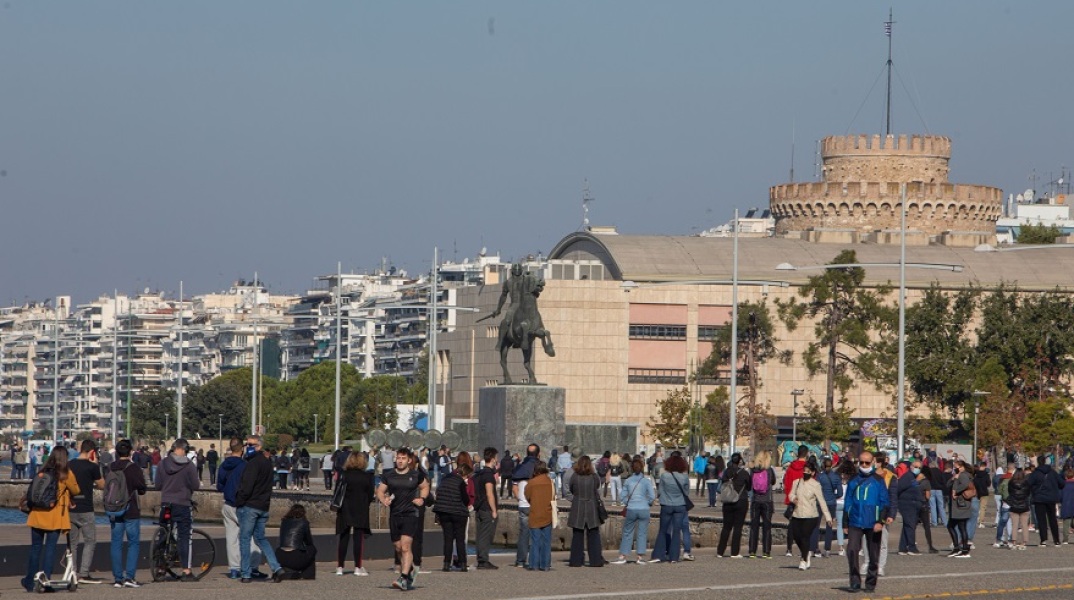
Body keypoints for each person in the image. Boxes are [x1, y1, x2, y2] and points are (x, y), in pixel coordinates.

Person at [22, 446, 80, 592]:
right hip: (54, 515)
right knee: (50, 548)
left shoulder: (42, 471)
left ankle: (30, 581)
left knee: (35, 548)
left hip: (37, 514)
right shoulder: (66, 474)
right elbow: (76, 490)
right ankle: (45, 580)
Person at [377, 447, 430, 591]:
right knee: (398, 547)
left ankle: (404, 578)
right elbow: (380, 491)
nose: (400, 461)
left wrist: (421, 498)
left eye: (403, 459)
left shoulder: (415, 475)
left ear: (409, 460)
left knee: (406, 546)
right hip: (395, 515)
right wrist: (384, 500)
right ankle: (410, 569)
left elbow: (425, 487)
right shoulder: (389, 475)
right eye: (398, 458)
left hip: (410, 514)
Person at [235, 435, 285, 583]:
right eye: (247, 444)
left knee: (245, 539)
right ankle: (276, 567)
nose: (247, 447)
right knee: (261, 538)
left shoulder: (253, 464)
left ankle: (245, 573)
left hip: (250, 505)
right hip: (263, 506)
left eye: (251, 444)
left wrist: (239, 501)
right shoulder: (267, 463)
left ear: (259, 447)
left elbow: (247, 487)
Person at [842, 451, 891, 594]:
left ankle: (871, 582)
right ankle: (855, 581)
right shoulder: (853, 480)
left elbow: (884, 502)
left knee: (873, 554)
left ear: (873, 462)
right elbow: (848, 501)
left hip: (873, 522)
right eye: (861, 462)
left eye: (867, 462)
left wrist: (880, 521)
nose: (864, 465)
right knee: (851, 550)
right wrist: (845, 522)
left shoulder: (878, 480)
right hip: (855, 521)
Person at [155, 438, 201, 581]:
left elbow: (157, 485)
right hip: (182, 503)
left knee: (163, 534)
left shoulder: (162, 464)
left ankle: (160, 568)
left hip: (166, 503)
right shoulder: (189, 466)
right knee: (184, 536)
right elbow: (196, 485)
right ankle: (186, 571)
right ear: (184, 450)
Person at [218, 438, 262, 579]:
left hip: (228, 504)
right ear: (242, 449)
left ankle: (234, 568)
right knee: (253, 536)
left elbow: (220, 486)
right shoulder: (245, 465)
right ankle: (253, 567)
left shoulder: (224, 465)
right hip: (243, 504)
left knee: (231, 538)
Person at [107, 440, 147, 588]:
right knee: (133, 543)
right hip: (131, 509)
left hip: (114, 509)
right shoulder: (134, 468)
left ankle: (118, 578)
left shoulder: (110, 467)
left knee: (116, 543)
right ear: (130, 452)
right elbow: (142, 489)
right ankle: (129, 577)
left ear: (116, 452)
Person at [68, 440, 105, 582]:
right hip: (86, 508)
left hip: (71, 507)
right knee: (90, 541)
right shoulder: (92, 467)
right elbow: (102, 485)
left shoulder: (70, 465)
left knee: (72, 543)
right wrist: (96, 465)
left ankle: (72, 572)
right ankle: (84, 573)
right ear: (92, 452)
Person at [334, 450, 374, 576]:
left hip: (344, 508)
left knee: (343, 537)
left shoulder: (344, 475)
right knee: (358, 538)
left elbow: (337, 491)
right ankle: (358, 566)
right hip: (360, 508)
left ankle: (340, 567)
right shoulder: (367, 477)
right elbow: (370, 494)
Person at [788, 459, 833, 570]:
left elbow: (821, 501)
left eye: (808, 471)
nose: (805, 473)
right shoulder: (797, 482)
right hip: (797, 514)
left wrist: (828, 517)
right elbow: (791, 494)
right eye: (804, 470)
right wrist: (793, 498)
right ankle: (805, 552)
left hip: (811, 515)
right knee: (797, 537)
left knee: (805, 537)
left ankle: (803, 560)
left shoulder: (816, 485)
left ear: (813, 473)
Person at [612, 457, 655, 564]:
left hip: (631, 508)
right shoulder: (646, 481)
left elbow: (622, 496)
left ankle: (623, 556)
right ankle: (640, 557)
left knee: (627, 532)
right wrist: (647, 503)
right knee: (642, 533)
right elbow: (652, 496)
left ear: (632, 468)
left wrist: (628, 502)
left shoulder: (628, 481)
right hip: (644, 509)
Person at [650, 454, 690, 563]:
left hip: (666, 504)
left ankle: (658, 555)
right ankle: (674, 557)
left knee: (663, 530)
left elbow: (660, 491)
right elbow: (686, 492)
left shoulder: (665, 476)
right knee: (677, 531)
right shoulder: (685, 477)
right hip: (680, 505)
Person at [434, 461, 473, 571]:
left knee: (448, 539)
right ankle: (463, 564)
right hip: (458, 513)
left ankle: (446, 564)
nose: (467, 478)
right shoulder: (460, 482)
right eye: (467, 476)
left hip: (444, 512)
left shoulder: (445, 479)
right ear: (464, 474)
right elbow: (465, 499)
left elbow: (439, 493)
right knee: (460, 539)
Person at [567, 455, 606, 567]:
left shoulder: (574, 476)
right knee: (593, 535)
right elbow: (597, 487)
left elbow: (571, 489)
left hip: (578, 505)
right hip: (591, 506)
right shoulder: (594, 477)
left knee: (577, 535)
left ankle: (575, 560)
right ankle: (595, 560)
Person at [511, 444, 542, 568]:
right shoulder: (540, 468)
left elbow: (514, 488)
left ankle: (520, 560)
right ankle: (537, 560)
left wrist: (521, 499)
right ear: (539, 454)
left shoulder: (520, 468)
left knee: (524, 533)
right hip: (537, 505)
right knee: (538, 533)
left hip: (523, 505)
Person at [1026, 454, 1065, 547]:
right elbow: (1062, 483)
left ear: (1038, 462)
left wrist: (1033, 491)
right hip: (1051, 498)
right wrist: (1055, 488)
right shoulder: (1052, 472)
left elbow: (1028, 484)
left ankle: (1043, 540)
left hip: (1039, 498)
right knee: (1053, 520)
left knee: (1041, 520)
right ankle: (1057, 540)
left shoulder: (1035, 473)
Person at [717, 452, 750, 558]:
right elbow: (749, 487)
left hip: (727, 501)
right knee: (738, 528)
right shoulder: (744, 473)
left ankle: (720, 551)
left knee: (726, 527)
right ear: (740, 460)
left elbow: (722, 483)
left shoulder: (726, 472)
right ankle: (734, 552)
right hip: (741, 501)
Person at [524, 464, 555, 571]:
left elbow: (527, 496)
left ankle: (534, 564)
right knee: (546, 541)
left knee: (535, 541)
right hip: (547, 513)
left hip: (535, 513)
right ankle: (546, 565)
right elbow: (554, 496)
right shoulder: (550, 482)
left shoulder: (531, 483)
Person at [473, 447, 500, 569]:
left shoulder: (478, 474)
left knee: (479, 534)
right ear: (493, 459)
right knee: (486, 534)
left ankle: (480, 558)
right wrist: (494, 510)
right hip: (486, 508)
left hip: (478, 507)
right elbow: (490, 493)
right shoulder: (489, 475)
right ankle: (484, 560)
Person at [747, 450, 777, 559]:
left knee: (754, 527)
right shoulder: (769, 470)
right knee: (767, 527)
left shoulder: (753, 470)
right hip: (767, 501)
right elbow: (773, 482)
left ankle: (752, 551)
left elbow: (750, 484)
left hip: (755, 500)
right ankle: (766, 551)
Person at [276, 504, 316, 579]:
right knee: (312, 549)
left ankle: (285, 571)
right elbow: (309, 542)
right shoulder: (304, 522)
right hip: (294, 557)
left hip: (280, 555)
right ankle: (308, 575)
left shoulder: (284, 521)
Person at [782, 445, 808, 556]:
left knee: (792, 525)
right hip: (805, 499)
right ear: (806, 454)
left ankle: (789, 549)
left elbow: (786, 483)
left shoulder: (791, 467)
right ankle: (805, 548)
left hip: (793, 499)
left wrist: (789, 496)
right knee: (806, 525)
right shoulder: (807, 468)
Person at [895, 460, 925, 556]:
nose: (918, 469)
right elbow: (899, 487)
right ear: (911, 466)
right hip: (907, 504)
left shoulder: (913, 477)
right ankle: (911, 547)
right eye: (916, 467)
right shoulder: (907, 476)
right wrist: (916, 481)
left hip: (913, 503)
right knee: (910, 525)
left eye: (920, 468)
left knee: (907, 526)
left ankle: (902, 547)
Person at [815, 456, 843, 558]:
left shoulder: (820, 477)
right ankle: (827, 549)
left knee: (816, 526)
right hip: (831, 502)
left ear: (823, 465)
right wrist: (833, 496)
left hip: (820, 502)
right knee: (829, 526)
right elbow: (840, 493)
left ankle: (815, 548)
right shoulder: (836, 477)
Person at [946, 460, 974, 557]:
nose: (954, 468)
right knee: (953, 526)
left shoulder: (964, 475)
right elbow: (947, 485)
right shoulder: (958, 475)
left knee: (960, 527)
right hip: (958, 506)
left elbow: (965, 484)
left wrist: (955, 491)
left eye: (956, 466)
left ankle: (964, 549)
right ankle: (958, 548)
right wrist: (954, 478)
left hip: (961, 505)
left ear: (961, 467)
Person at [1003, 466, 1031, 549]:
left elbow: (1010, 492)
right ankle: (1024, 542)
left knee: (1014, 525)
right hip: (1024, 505)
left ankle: (1014, 541)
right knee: (1024, 525)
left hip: (1014, 505)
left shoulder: (1011, 482)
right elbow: (1028, 493)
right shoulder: (1026, 482)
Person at [915, 464, 939, 553]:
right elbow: (928, 496)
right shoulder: (926, 482)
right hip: (923, 505)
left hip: (914, 504)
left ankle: (911, 544)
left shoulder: (915, 481)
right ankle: (930, 546)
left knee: (912, 526)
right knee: (926, 527)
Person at [1061, 468, 1074, 544]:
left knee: (1066, 523)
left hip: (1066, 505)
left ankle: (1065, 539)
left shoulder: (1063, 485)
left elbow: (1060, 496)